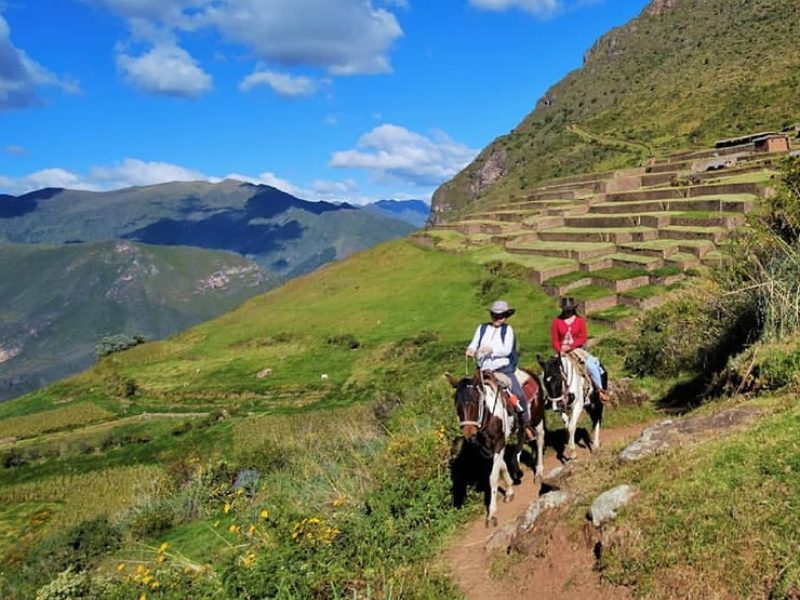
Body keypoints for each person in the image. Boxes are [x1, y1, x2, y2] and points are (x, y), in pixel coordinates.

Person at [465, 300, 529, 426]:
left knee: (518, 394)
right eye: (495, 315)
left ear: (506, 316)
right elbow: (474, 343)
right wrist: (471, 349)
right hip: (483, 369)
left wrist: (492, 350)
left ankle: (525, 423)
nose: (498, 318)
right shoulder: (482, 328)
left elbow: (507, 349)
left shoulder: (508, 330)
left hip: (502, 368)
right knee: (468, 393)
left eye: (502, 316)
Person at [550, 297, 609, 402]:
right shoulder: (557, 322)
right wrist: (560, 350)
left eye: (569, 310)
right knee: (548, 372)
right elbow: (554, 339)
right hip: (561, 352)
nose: (567, 312)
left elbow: (583, 337)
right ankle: (550, 398)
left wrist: (570, 347)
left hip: (576, 350)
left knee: (592, 366)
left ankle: (600, 391)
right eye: (566, 310)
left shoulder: (579, 321)